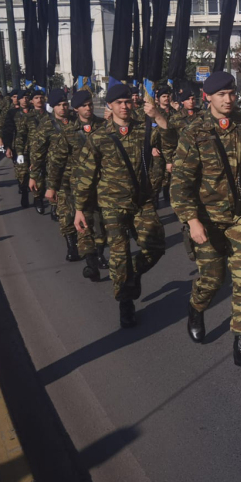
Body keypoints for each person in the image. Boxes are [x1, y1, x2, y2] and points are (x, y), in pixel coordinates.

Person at [167, 72, 241, 373]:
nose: (228, 100)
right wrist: (192, 220)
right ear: (207, 97)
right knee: (212, 280)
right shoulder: (194, 131)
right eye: (221, 95)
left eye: (231, 94)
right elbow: (180, 184)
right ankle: (196, 307)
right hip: (207, 218)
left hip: (240, 216)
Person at [73, 83, 165, 329]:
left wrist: (157, 118)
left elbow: (173, 140)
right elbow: (85, 175)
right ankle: (126, 303)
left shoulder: (146, 130)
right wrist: (80, 209)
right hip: (112, 206)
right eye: (119, 103)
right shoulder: (99, 137)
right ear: (110, 106)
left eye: (128, 102)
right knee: (119, 255)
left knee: (156, 246)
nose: (125, 106)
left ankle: (130, 276)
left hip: (141, 202)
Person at [49, 89, 109, 280]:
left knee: (104, 223)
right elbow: (57, 161)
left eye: (90, 104)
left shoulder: (105, 126)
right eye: (84, 105)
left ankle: (99, 252)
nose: (88, 108)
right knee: (84, 224)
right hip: (79, 186)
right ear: (76, 109)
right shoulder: (69, 132)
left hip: (104, 184)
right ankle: (90, 262)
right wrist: (52, 187)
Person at [28, 89, 80, 260]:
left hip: (81, 173)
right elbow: (37, 152)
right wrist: (33, 175)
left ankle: (90, 245)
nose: (63, 107)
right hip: (59, 175)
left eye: (65, 104)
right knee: (66, 211)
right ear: (53, 106)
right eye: (59, 105)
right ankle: (71, 246)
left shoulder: (76, 120)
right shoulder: (46, 125)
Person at [14, 87, 49, 212]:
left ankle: (43, 200)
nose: (39, 100)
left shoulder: (50, 117)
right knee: (27, 176)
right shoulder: (27, 117)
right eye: (36, 98)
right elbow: (20, 136)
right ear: (32, 101)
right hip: (29, 152)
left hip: (47, 152)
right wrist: (19, 153)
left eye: (41, 97)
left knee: (45, 177)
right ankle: (30, 196)